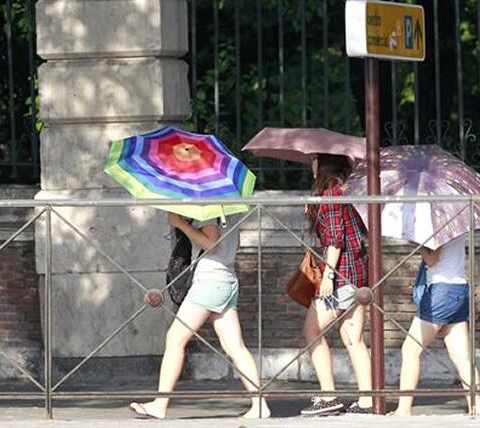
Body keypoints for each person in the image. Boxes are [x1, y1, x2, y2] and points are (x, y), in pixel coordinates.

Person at [130, 213, 270, 419]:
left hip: (209, 280)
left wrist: (180, 224)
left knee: (175, 339)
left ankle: (159, 404)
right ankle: (260, 404)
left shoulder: (210, 207)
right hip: (227, 278)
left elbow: (211, 244)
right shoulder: (230, 208)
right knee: (235, 347)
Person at [299, 154, 373, 416]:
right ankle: (368, 400)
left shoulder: (331, 193)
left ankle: (328, 396)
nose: (311, 163)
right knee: (354, 338)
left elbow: (335, 239)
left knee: (312, 331)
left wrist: (328, 276)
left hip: (340, 275)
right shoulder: (347, 189)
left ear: (324, 164)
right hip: (358, 274)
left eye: (315, 159)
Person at [393, 236, 480, 416]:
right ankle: (476, 409)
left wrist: (419, 245)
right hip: (459, 289)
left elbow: (432, 260)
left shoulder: (440, 223)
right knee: (462, 358)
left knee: (410, 350)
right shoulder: (455, 219)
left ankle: (403, 409)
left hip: (440, 290)